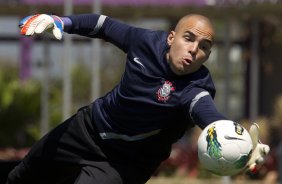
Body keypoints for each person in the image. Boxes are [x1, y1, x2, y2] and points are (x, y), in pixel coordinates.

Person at [7, 13, 269, 184]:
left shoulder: (196, 88)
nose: (193, 49)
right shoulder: (144, 42)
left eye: (204, 47)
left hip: (125, 163)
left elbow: (210, 118)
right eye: (188, 38)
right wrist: (62, 22)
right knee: (21, 177)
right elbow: (104, 25)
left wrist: (240, 143)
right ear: (171, 38)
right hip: (86, 129)